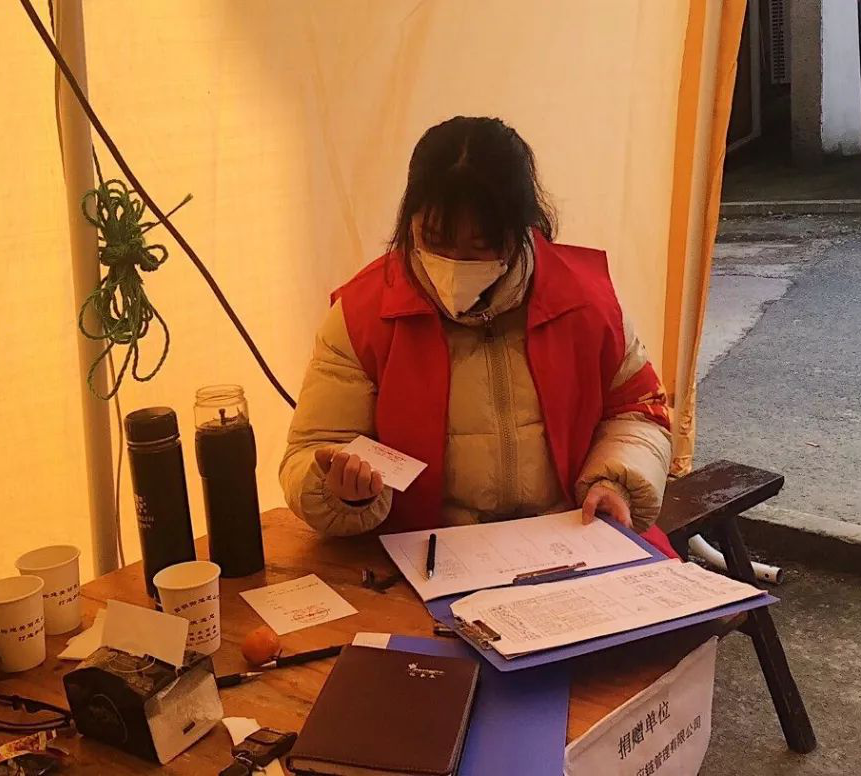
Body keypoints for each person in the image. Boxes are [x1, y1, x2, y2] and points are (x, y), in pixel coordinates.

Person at [280, 116, 674, 552]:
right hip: (428, 557)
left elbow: (639, 410)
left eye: (480, 247)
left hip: (569, 539)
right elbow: (311, 450)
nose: (455, 262)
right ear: (410, 220)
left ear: (520, 228)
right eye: (435, 240)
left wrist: (615, 483)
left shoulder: (586, 300)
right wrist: (342, 493)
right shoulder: (362, 316)